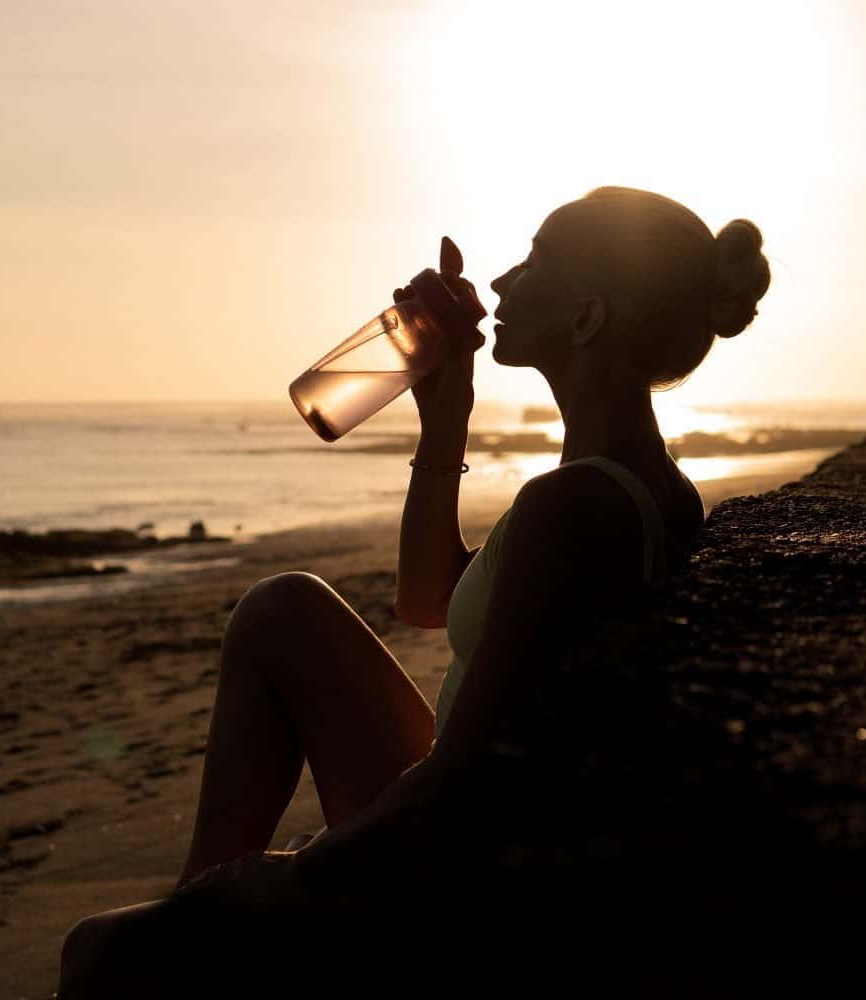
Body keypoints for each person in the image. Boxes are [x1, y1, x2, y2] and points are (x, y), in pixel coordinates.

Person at [57, 186, 772, 997]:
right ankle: (196, 929)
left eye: (536, 260)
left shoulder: (577, 506)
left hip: (471, 877)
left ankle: (197, 930)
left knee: (95, 953)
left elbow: (454, 783)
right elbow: (429, 599)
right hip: (500, 827)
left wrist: (285, 874)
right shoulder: (626, 484)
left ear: (586, 319)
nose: (500, 283)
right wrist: (445, 417)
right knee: (283, 609)